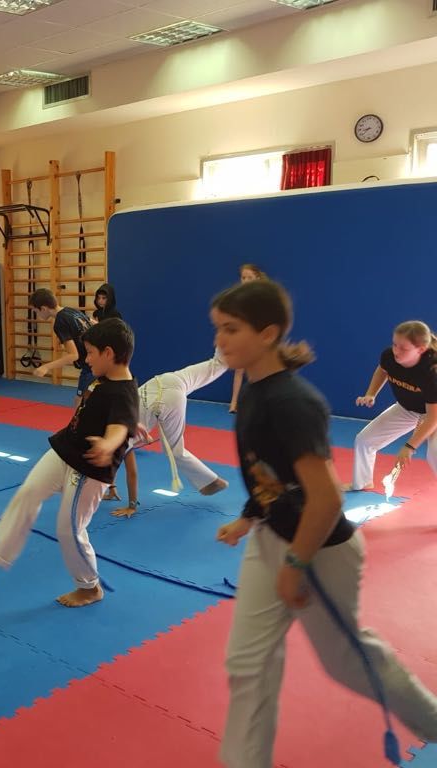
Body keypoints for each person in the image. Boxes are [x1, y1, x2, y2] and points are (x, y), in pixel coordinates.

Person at [210, 279, 437, 768]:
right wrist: (248, 518)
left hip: (320, 551)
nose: (219, 340)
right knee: (247, 663)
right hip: (273, 536)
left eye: (231, 329)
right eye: (218, 329)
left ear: (268, 333)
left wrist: (296, 563)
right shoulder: (253, 391)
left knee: (347, 663)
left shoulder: (292, 402)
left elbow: (327, 498)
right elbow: (269, 472)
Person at [0, 319, 139, 608]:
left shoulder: (125, 392)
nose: (86, 359)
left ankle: (89, 587)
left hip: (89, 468)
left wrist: (109, 443)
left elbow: (119, 426)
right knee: (27, 494)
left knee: (68, 529)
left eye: (91, 353)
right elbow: (120, 417)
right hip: (65, 449)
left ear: (108, 353)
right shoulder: (106, 376)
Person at [105, 350, 230, 515]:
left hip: (166, 402)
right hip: (166, 380)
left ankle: (212, 481)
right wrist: (112, 487)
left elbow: (131, 473)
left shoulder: (121, 441)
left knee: (175, 451)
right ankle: (225, 347)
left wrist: (132, 506)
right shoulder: (111, 423)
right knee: (215, 365)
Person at [347, 320, 437, 491]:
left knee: (435, 455)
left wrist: (409, 447)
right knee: (365, 440)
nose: (396, 350)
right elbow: (382, 370)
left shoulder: (431, 372)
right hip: (407, 408)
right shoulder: (389, 356)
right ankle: (363, 483)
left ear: (420, 350)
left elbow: (433, 418)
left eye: (403, 348)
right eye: (395, 344)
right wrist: (371, 394)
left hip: (433, 413)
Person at [28, 288, 93, 406]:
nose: (37, 315)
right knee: (83, 400)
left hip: (91, 366)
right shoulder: (71, 311)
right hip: (99, 360)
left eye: (36, 311)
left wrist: (46, 367)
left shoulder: (60, 322)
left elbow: (73, 355)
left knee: (80, 401)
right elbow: (92, 323)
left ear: (44, 308)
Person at [230, 264, 268, 413]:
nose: (245, 281)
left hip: (258, 334)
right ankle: (234, 402)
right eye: (243, 277)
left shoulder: (263, 295)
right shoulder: (239, 296)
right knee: (239, 369)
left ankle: (256, 403)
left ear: (257, 278)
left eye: (249, 278)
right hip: (244, 334)